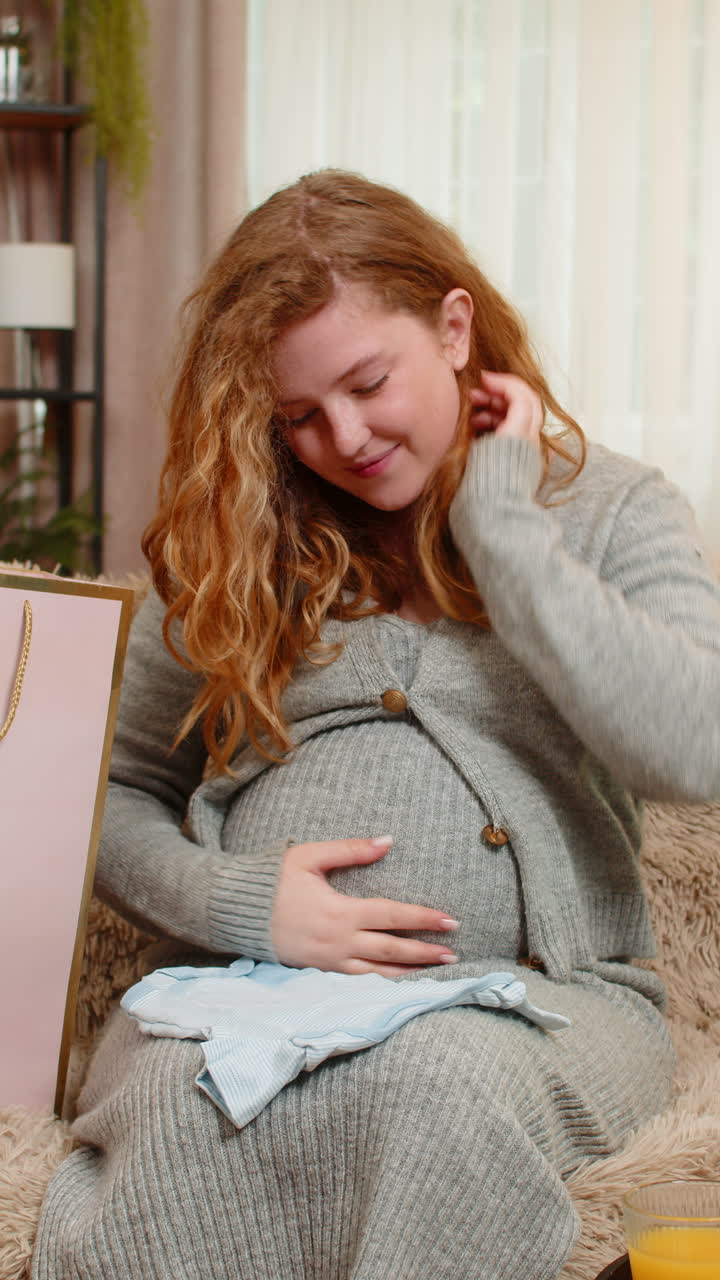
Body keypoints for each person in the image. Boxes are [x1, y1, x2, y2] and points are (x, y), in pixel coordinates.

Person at [33, 170, 720, 1280]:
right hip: (244, 989)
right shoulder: (235, 534)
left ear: (453, 328)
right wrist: (244, 905)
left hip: (539, 1004)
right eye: (298, 415)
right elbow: (105, 792)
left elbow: (696, 745)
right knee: (183, 1103)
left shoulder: (607, 508)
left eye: (368, 383)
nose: (344, 438)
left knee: (432, 1084)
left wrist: (504, 532)